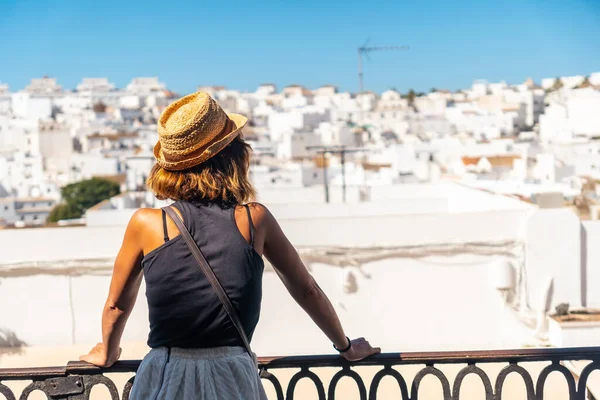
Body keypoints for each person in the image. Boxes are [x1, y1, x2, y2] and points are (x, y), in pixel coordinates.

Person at [80, 91, 380, 399]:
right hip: (233, 376)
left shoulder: (147, 223)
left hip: (166, 373)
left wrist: (107, 352)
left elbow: (117, 305)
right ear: (233, 157)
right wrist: (345, 346)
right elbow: (307, 290)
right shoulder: (254, 220)